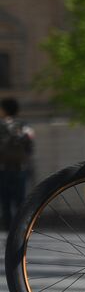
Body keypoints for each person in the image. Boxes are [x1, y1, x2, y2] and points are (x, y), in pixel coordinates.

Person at [1, 97, 35, 230]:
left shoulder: (1, 124)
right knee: (21, 201)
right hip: (21, 168)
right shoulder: (24, 124)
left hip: (3, 169)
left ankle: (8, 229)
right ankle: (21, 228)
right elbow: (30, 145)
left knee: (5, 201)